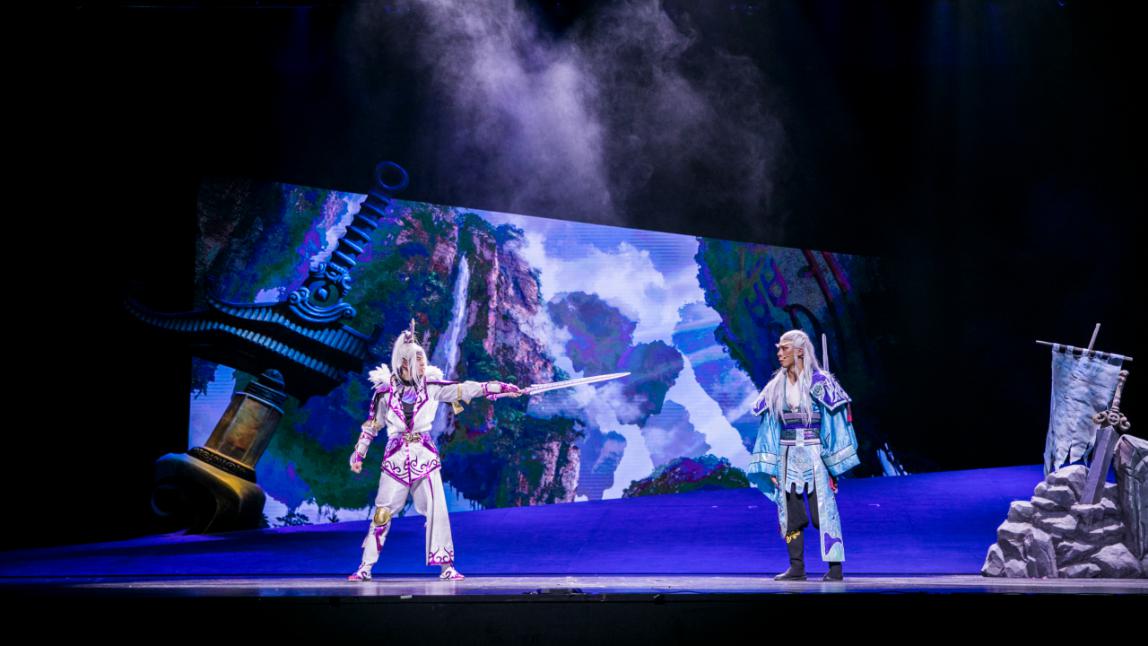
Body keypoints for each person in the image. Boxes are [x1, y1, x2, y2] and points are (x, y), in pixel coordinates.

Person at [347, 321, 521, 581]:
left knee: (436, 511)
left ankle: (446, 566)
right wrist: (359, 453)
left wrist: (498, 388)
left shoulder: (431, 386)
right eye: (416, 360)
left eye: (422, 359)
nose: (421, 364)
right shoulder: (384, 393)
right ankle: (365, 566)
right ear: (402, 363)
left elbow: (463, 389)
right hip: (395, 459)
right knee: (382, 513)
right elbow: (373, 425)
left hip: (424, 458)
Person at [746, 329, 860, 581]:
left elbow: (834, 424)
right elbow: (769, 429)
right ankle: (796, 567)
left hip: (815, 456)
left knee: (824, 513)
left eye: (784, 348)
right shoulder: (775, 387)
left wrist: (832, 464)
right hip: (786, 456)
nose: (779, 353)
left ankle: (835, 568)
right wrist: (770, 466)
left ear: (800, 350)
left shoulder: (821, 382)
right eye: (779, 348)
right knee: (790, 514)